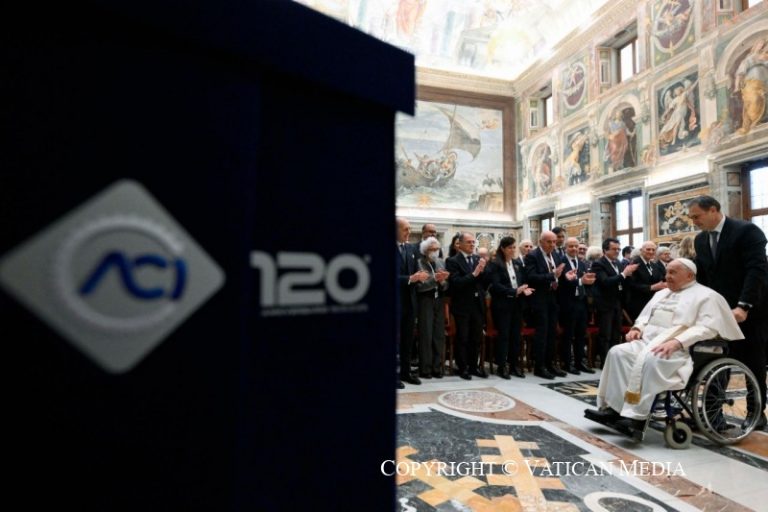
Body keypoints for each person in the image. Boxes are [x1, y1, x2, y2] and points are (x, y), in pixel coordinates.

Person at [586, 259, 743, 431]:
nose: (667, 276)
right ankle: (615, 409)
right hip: (647, 342)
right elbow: (645, 317)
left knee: (653, 359)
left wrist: (677, 342)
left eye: (673, 272)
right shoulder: (661, 293)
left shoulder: (707, 296)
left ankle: (637, 417)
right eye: (667, 272)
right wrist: (637, 328)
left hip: (681, 350)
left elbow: (707, 328)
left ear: (689, 275)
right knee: (617, 353)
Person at [688, 195, 768, 428]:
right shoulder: (701, 240)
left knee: (752, 362)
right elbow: (704, 277)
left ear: (713, 210)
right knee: (715, 359)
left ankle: (756, 412)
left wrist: (744, 305)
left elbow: (757, 271)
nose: (694, 222)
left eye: (697, 216)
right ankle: (713, 415)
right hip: (719, 312)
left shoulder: (746, 231)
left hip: (750, 312)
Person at [487, 237, 534, 379]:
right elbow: (495, 285)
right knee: (504, 336)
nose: (513, 250)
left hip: (517, 304)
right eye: (510, 248)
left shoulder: (517, 263)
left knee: (516, 336)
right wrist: (513, 291)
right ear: (502, 248)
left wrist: (524, 289)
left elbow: (522, 281)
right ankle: (502, 366)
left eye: (514, 247)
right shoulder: (495, 264)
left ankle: (514, 365)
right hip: (502, 305)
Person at [446, 232, 488, 380]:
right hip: (462, 305)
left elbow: (483, 283)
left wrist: (484, 271)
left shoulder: (477, 259)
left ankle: (474, 367)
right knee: (463, 337)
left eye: (473, 242)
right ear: (460, 244)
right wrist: (475, 273)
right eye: (469, 242)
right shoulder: (452, 261)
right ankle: (462, 368)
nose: (472, 244)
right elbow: (456, 282)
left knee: (476, 338)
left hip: (477, 304)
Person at [524, 231, 566, 379]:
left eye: (554, 242)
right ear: (540, 241)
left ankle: (550, 364)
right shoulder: (532, 256)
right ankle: (539, 366)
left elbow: (559, 275)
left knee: (552, 333)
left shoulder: (556, 255)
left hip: (553, 298)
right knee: (542, 333)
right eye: (549, 242)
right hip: (539, 299)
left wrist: (565, 276)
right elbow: (531, 277)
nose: (552, 245)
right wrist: (552, 275)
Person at [591, 238, 638, 366]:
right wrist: (624, 274)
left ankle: (614, 360)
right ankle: (605, 362)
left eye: (618, 249)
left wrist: (629, 275)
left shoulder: (618, 263)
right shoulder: (598, 264)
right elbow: (605, 282)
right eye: (614, 249)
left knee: (616, 334)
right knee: (605, 334)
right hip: (605, 303)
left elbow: (623, 281)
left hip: (617, 302)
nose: (617, 251)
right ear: (605, 250)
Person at [397, 218, 429, 387]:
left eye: (409, 229)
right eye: (405, 229)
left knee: (408, 340)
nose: (409, 232)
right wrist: (410, 278)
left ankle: (406, 372)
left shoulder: (410, 248)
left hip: (410, 302)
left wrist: (422, 277)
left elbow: (415, 273)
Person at [557, 237, 597, 374]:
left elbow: (584, 280)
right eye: (571, 246)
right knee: (568, 335)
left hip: (581, 302)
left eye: (576, 246)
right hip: (567, 303)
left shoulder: (581, 263)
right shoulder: (561, 262)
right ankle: (567, 363)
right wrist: (581, 281)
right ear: (565, 248)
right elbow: (562, 283)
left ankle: (580, 362)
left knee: (581, 334)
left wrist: (589, 281)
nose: (574, 249)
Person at [414, 237, 450, 379]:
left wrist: (443, 282)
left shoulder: (441, 262)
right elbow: (419, 286)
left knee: (438, 335)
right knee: (426, 335)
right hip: (425, 301)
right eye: (432, 249)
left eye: (437, 249)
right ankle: (425, 369)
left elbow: (446, 285)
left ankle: (437, 367)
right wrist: (434, 279)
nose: (435, 251)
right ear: (425, 250)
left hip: (439, 300)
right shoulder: (418, 263)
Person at [733, 38, 768, 135]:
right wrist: (736, 86)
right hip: (751, 84)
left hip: (765, 84)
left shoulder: (765, 57)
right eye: (759, 44)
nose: (761, 46)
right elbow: (740, 72)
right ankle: (753, 121)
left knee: (765, 100)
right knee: (755, 100)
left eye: (763, 45)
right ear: (755, 46)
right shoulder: (749, 58)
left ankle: (762, 120)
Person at [625, 241, 667, 322]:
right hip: (638, 303)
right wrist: (651, 287)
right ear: (641, 250)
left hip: (652, 302)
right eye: (648, 249)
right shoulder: (634, 264)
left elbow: (660, 279)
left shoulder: (654, 265)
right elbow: (630, 284)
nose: (651, 252)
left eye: (653, 250)